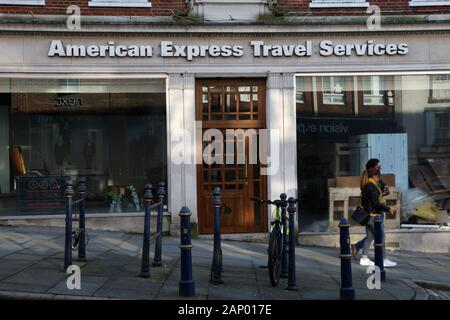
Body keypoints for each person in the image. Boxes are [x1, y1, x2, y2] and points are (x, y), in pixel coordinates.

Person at [351, 160, 397, 267]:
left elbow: (375, 197)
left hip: (369, 216)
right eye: (378, 167)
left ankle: (364, 258)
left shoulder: (370, 184)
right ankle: (382, 259)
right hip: (374, 217)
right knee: (381, 237)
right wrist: (388, 208)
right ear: (374, 174)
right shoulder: (372, 186)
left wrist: (384, 191)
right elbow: (376, 203)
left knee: (370, 237)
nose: (380, 180)